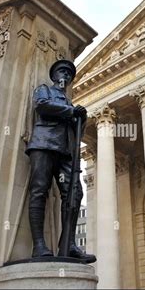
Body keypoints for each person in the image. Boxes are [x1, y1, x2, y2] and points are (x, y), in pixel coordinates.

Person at [26, 59, 96, 263]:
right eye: (62, 71)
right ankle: (39, 245)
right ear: (54, 76)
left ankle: (68, 244)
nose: (65, 75)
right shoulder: (44, 90)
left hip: (65, 152)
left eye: (68, 73)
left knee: (74, 193)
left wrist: (81, 120)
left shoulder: (70, 103)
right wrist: (72, 112)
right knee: (39, 190)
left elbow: (76, 133)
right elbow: (42, 106)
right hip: (44, 145)